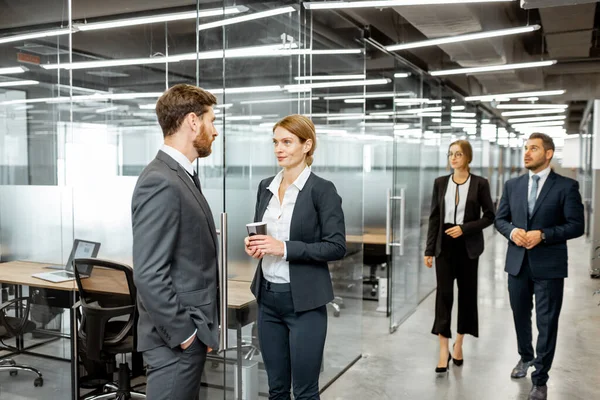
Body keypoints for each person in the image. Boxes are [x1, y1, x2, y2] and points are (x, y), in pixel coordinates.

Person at [244, 114, 346, 400]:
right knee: (276, 389)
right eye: (276, 142)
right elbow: (263, 235)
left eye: (287, 141)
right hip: (267, 299)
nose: (279, 148)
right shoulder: (266, 186)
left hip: (304, 303)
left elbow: (336, 246)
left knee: (304, 392)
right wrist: (256, 246)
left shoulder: (322, 190)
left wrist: (284, 248)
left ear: (306, 145)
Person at [131, 84, 219, 400]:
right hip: (174, 341)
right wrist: (186, 334)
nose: (215, 131)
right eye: (211, 121)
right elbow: (149, 273)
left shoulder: (180, 175)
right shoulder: (161, 181)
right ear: (192, 122)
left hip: (191, 331)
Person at [495, 132, 584, 400]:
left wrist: (543, 234)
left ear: (548, 153)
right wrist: (512, 232)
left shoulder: (566, 187)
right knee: (520, 316)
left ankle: (540, 378)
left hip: (549, 265)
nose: (526, 152)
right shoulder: (512, 185)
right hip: (517, 264)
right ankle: (525, 357)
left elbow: (576, 225)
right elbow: (501, 219)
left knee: (547, 323)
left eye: (533, 148)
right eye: (525, 148)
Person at [424, 139, 495, 373]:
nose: (453, 158)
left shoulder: (480, 184)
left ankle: (459, 344)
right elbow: (435, 217)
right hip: (444, 246)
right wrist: (429, 249)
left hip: (468, 247)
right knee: (443, 297)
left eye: (458, 154)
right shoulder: (440, 183)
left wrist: (465, 228)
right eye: (450, 154)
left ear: (468, 158)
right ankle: (443, 349)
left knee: (466, 296)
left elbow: (489, 216)